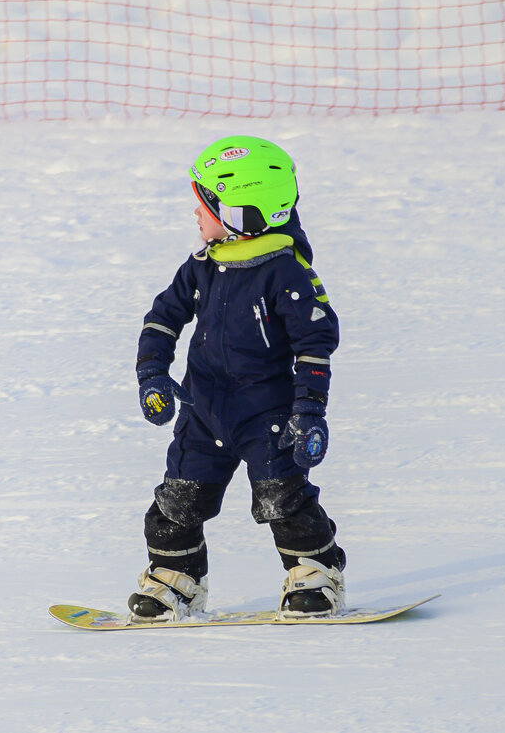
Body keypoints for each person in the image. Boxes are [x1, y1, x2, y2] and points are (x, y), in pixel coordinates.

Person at [129, 135, 346, 622]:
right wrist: (152, 375)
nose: (196, 215)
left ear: (242, 211)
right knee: (177, 502)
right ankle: (174, 580)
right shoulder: (203, 265)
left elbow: (315, 346)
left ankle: (316, 572)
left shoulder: (285, 272)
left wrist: (310, 411)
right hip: (203, 413)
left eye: (206, 204)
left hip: (268, 415)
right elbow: (161, 319)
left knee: (283, 500)